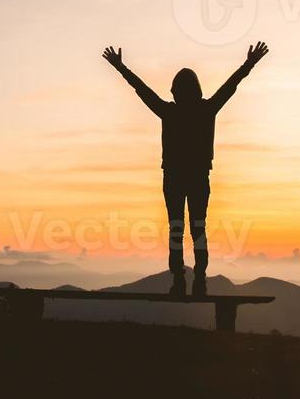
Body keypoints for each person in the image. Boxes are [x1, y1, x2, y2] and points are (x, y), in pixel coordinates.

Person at [102, 41, 268, 297]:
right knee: (198, 228)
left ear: (175, 90)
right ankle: (199, 279)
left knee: (176, 229)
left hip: (174, 178)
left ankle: (180, 281)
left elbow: (142, 90)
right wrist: (250, 63)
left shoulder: (169, 112)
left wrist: (121, 67)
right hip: (198, 177)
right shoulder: (206, 109)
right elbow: (231, 85)